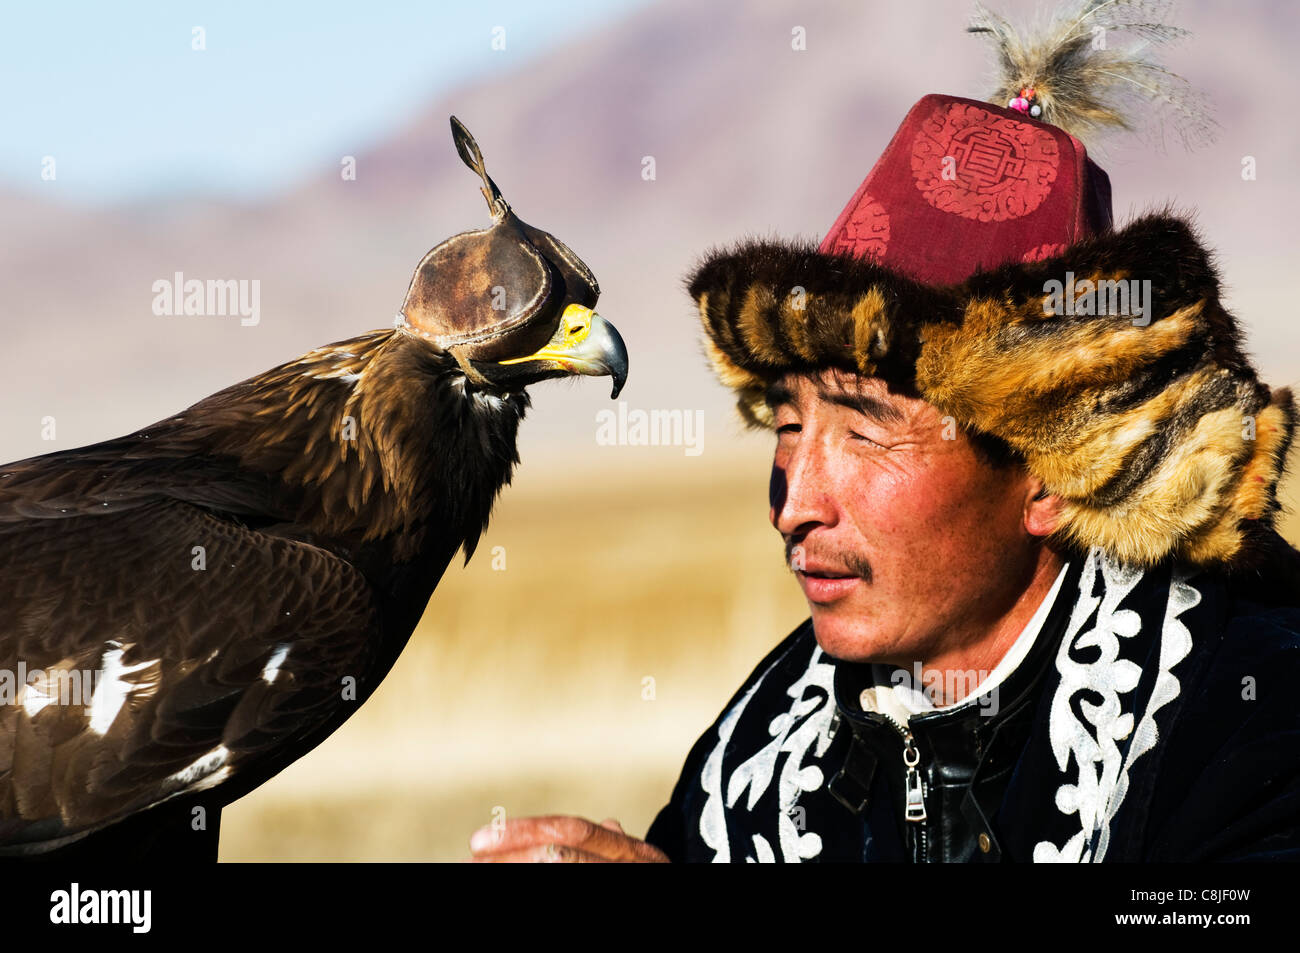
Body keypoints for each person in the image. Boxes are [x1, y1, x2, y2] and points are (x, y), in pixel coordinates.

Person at [467, 1, 1300, 863]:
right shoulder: (760, 750)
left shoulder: (1248, 716)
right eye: (786, 423)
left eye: (865, 432)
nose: (794, 504)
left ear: (1054, 470)